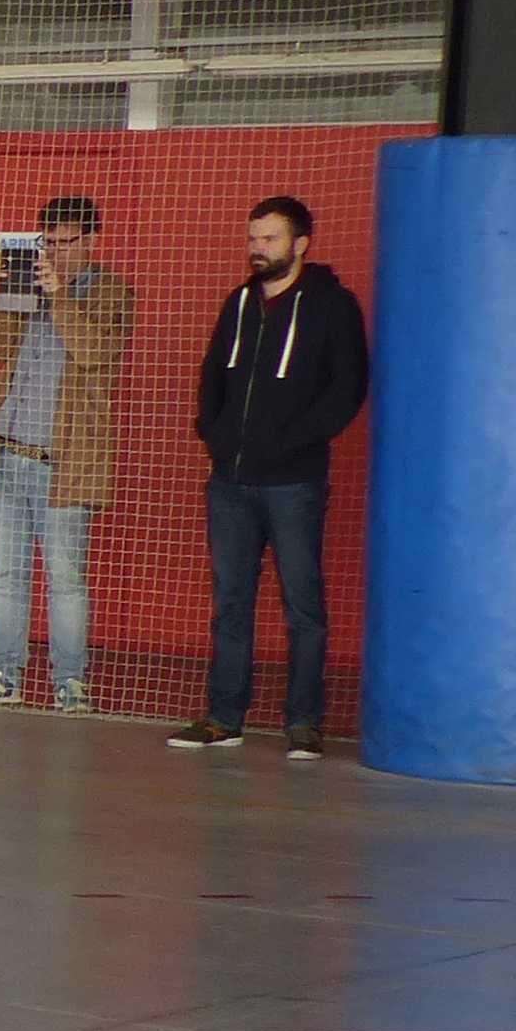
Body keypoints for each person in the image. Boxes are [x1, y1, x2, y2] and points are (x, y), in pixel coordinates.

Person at [175, 195, 369, 759]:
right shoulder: (239, 303)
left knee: (302, 603)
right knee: (230, 602)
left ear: (301, 243)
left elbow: (348, 388)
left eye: (270, 239)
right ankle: (223, 717)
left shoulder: (332, 305)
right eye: (253, 238)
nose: (257, 249)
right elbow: (212, 375)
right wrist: (214, 434)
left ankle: (304, 723)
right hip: (229, 481)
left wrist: (292, 441)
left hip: (293, 483)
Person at [0, 192, 130, 714]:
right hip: (6, 453)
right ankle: (2, 672)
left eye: (65, 243)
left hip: (66, 462)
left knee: (66, 579)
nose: (55, 253)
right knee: (6, 576)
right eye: (48, 244)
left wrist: (58, 296)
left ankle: (70, 679)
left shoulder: (111, 292)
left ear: (92, 241)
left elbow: (95, 351)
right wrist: (8, 291)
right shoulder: (25, 288)